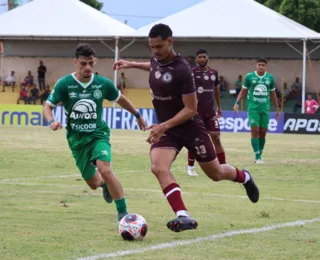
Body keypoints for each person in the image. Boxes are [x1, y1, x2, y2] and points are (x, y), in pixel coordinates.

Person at [113, 24, 259, 233]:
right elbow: (153, 65)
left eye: (159, 46)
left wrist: (163, 125)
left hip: (190, 127)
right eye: (151, 47)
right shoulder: (156, 58)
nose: (155, 51)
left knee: (216, 173)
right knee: (158, 167)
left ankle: (245, 177)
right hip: (168, 130)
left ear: (170, 41)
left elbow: (191, 109)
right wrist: (130, 64)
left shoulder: (182, 70)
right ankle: (182, 215)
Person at [43, 43, 146, 223]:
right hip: (77, 140)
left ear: (95, 62)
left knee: (105, 169)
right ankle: (104, 185)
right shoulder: (65, 84)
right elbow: (48, 106)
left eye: (91, 63)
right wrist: (51, 121)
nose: (87, 68)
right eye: (83, 63)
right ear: (75, 62)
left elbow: (120, 99)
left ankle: (123, 213)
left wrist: (137, 115)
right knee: (94, 183)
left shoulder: (102, 84)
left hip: (98, 134)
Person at [186, 48, 226, 176]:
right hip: (196, 112)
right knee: (195, 140)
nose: (202, 59)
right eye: (199, 57)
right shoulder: (191, 73)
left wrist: (219, 106)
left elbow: (216, 91)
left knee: (216, 138)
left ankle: (223, 165)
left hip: (210, 112)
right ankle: (190, 167)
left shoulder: (214, 73)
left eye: (204, 57)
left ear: (207, 58)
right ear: (196, 59)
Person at [234, 58, 280, 164]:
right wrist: (236, 103)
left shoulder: (270, 78)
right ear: (256, 65)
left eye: (263, 65)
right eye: (259, 64)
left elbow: (273, 94)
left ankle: (259, 154)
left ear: (266, 66)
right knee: (255, 130)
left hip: (265, 109)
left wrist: (277, 109)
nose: (261, 66)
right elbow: (243, 90)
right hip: (253, 108)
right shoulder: (249, 77)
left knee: (263, 132)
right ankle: (257, 156)